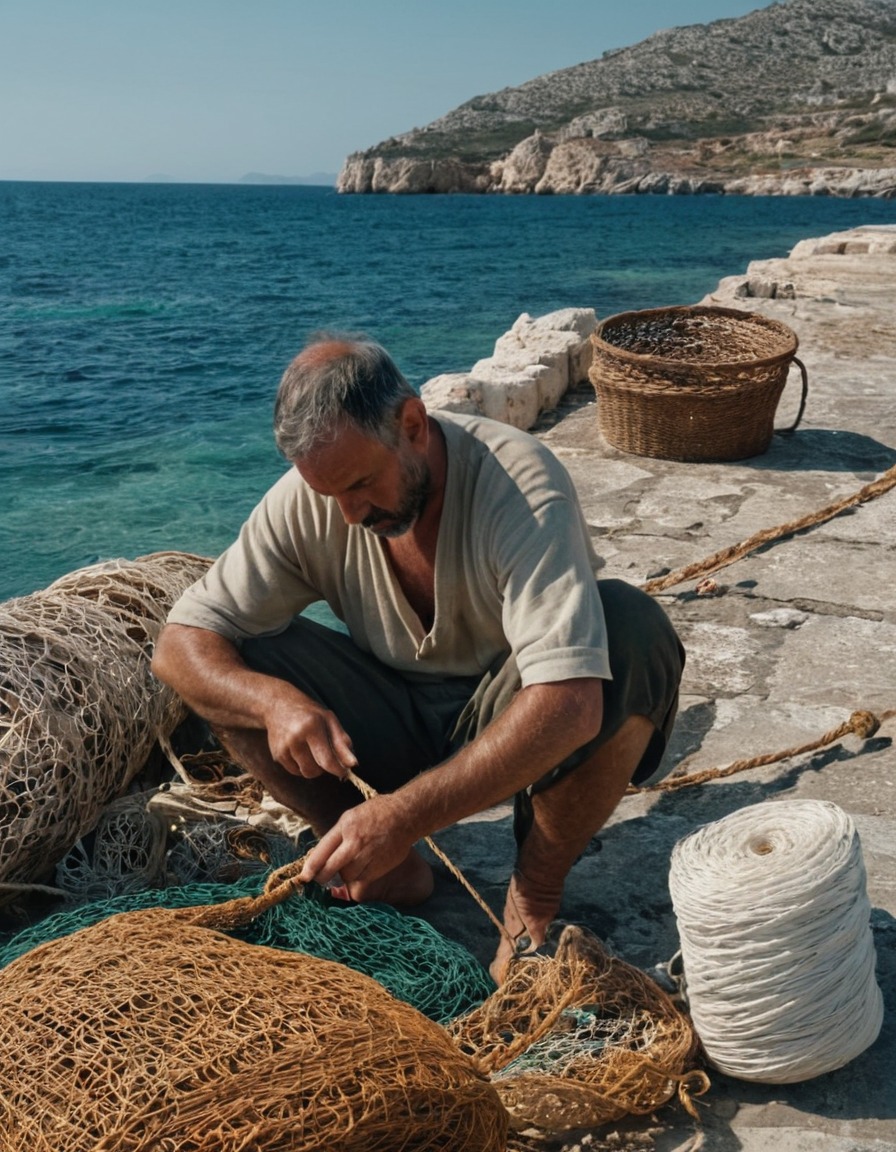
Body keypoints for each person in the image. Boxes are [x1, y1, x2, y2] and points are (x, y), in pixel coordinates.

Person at [151, 333, 684, 981]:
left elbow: (571, 705)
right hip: (388, 724)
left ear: (411, 424)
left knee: (631, 625)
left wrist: (402, 816)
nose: (348, 514)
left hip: (509, 722)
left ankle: (531, 901)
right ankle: (379, 862)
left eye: (361, 484)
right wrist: (274, 701)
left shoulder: (519, 484)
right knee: (232, 663)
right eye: (330, 495)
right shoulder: (318, 498)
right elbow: (180, 646)